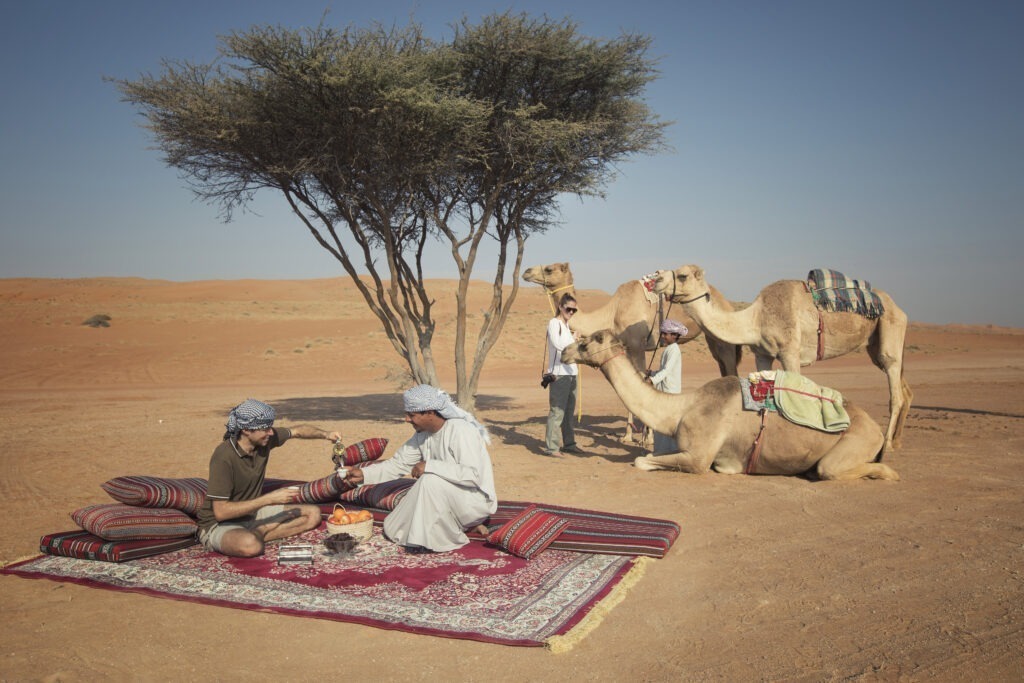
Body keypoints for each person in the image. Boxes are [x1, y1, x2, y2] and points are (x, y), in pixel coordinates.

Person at [341, 384, 497, 552]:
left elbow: (473, 475)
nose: (406, 419)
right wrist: (363, 474)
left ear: (430, 413)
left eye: (411, 414)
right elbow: (397, 464)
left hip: (473, 501)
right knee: (394, 525)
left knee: (429, 480)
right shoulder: (422, 435)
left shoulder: (461, 431)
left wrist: (429, 466)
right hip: (450, 498)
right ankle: (458, 525)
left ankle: (435, 542)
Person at [196, 398, 342, 557]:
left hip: (252, 514)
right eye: (265, 428)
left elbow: (298, 430)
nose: (271, 432)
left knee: (313, 514)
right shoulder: (224, 456)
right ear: (247, 430)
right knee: (250, 546)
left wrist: (326, 434)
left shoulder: (264, 440)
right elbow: (221, 512)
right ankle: (260, 531)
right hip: (219, 524)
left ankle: (257, 532)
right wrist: (269, 499)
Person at [543, 293, 583, 457]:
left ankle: (569, 444)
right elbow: (558, 345)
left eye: (574, 310)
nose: (571, 312)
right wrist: (574, 342)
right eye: (569, 309)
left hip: (572, 373)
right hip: (559, 374)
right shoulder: (554, 323)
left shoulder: (566, 326)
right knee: (557, 411)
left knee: (568, 412)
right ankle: (552, 447)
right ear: (560, 306)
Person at [647, 319, 688, 454]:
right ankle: (661, 451)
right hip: (664, 391)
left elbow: (667, 371)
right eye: (662, 333)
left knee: (667, 423)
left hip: (670, 393)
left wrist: (652, 380)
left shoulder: (674, 350)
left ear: (674, 335)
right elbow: (663, 370)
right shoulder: (669, 349)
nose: (663, 336)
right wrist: (652, 373)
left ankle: (667, 452)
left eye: (665, 334)